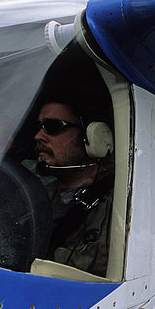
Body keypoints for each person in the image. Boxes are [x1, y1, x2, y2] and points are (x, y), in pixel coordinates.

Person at [34, 99, 113, 277]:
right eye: (39, 126)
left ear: (93, 137)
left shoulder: (125, 200)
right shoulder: (33, 195)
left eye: (52, 126)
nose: (38, 135)